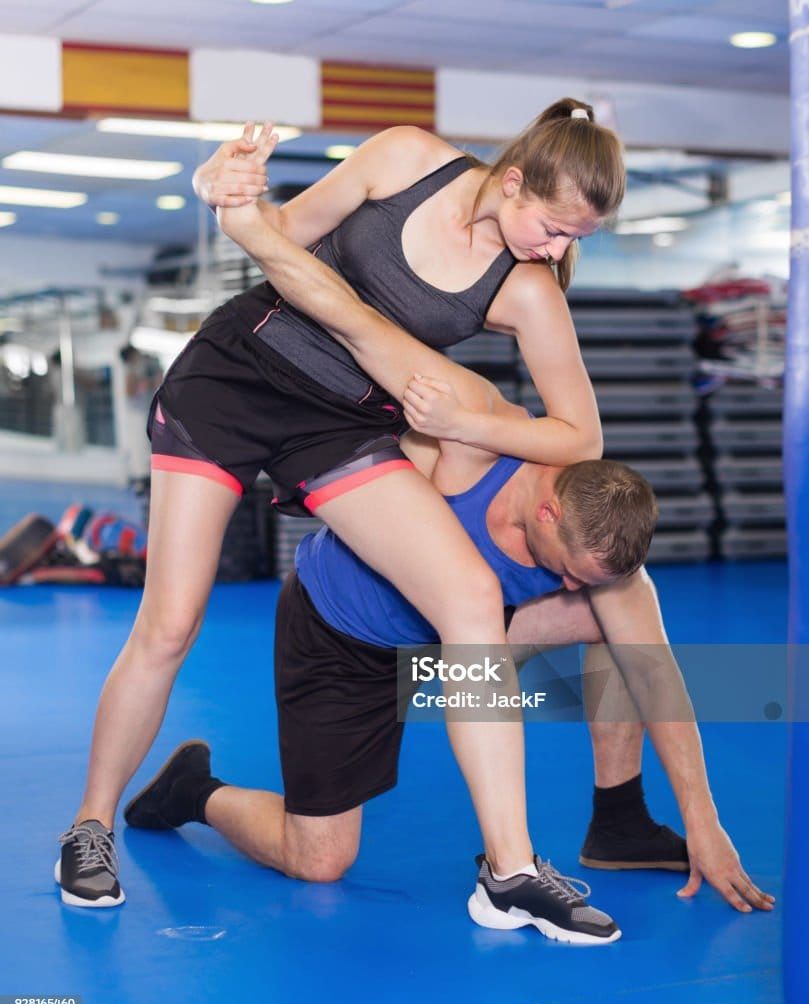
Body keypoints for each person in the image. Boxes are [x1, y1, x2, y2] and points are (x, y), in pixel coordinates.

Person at [121, 217, 773, 941]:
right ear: (549, 512)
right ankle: (193, 789)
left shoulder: (596, 537)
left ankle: (616, 822)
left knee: (624, 622)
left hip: (460, 640)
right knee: (320, 860)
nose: (565, 589)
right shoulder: (465, 441)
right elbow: (344, 423)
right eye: (562, 572)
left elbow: (660, 683)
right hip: (342, 636)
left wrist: (704, 823)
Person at [58, 99, 625, 907]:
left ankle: (511, 870)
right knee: (171, 622)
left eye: (578, 239)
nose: (559, 248)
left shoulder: (525, 291)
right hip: (235, 377)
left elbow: (582, 439)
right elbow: (279, 234)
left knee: (468, 595)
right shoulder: (404, 160)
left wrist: (469, 419)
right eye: (554, 225)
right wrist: (226, 190)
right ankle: (90, 826)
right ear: (512, 180)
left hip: (340, 422)